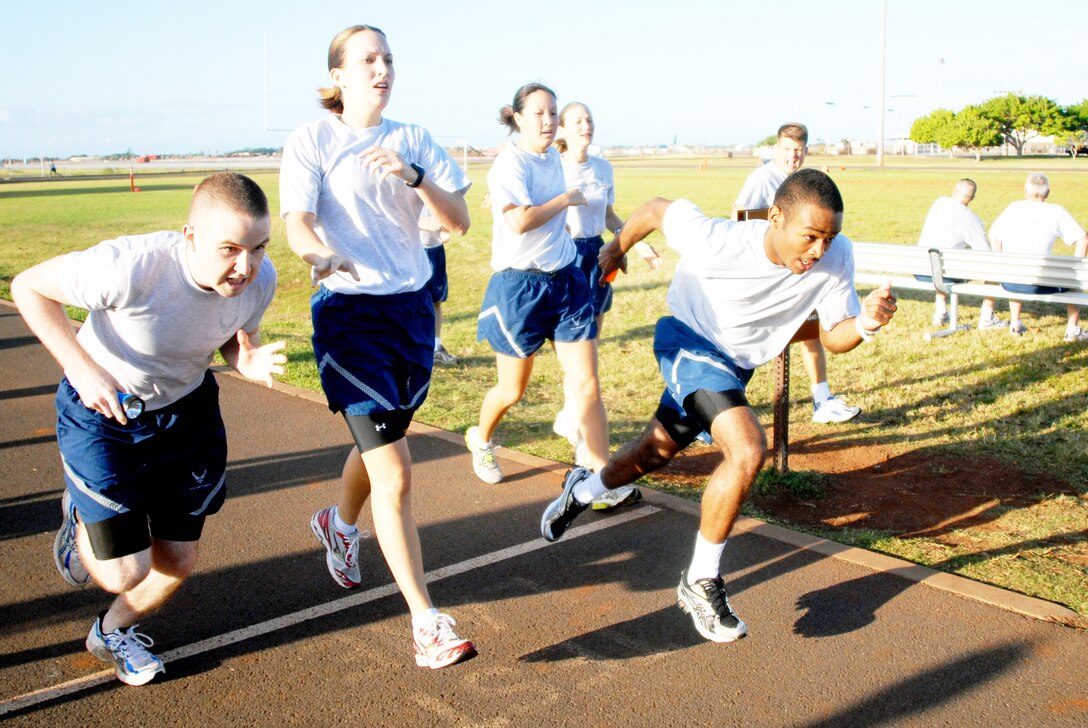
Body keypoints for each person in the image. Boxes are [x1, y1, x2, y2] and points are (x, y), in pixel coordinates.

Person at [540, 169, 898, 643]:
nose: (819, 251)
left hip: (732, 368)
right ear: (775, 217)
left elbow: (833, 336)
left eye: (829, 239)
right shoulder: (718, 240)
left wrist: (867, 323)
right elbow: (655, 209)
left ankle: (583, 490)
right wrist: (616, 247)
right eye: (810, 236)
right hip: (688, 342)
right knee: (747, 449)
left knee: (654, 451)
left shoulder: (838, 256)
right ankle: (700, 579)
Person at [11, 172, 285, 686]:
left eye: (258, 247)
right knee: (124, 570)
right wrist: (80, 368)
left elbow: (234, 337)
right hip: (105, 411)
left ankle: (111, 631)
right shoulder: (129, 267)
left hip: (187, 413)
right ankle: (81, 514)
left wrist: (243, 360)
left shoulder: (259, 278)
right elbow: (27, 287)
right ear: (190, 237)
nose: (245, 267)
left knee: (176, 559)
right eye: (229, 249)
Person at [280, 24, 476, 669]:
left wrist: (414, 176)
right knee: (394, 470)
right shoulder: (312, 140)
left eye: (387, 58)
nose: (382, 69)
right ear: (338, 75)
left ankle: (338, 524)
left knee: (381, 441)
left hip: (411, 314)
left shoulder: (413, 139)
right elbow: (297, 223)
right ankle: (427, 622)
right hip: (350, 317)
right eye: (367, 59)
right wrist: (319, 254)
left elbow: (457, 223)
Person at [466, 83, 610, 488]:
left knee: (587, 384)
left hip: (566, 281)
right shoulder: (509, 164)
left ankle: (603, 478)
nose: (548, 121)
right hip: (519, 287)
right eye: (538, 113)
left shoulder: (554, 160)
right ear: (518, 118)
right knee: (512, 389)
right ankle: (481, 439)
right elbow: (519, 221)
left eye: (552, 113)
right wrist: (565, 201)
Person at [551, 101, 658, 508]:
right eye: (577, 121)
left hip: (597, 256)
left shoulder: (603, 168)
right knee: (579, 357)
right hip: (565, 258)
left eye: (589, 120)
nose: (586, 126)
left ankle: (573, 421)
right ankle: (581, 437)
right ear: (563, 128)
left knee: (589, 349)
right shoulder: (553, 166)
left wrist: (633, 242)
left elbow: (610, 215)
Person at [733, 123, 860, 425]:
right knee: (747, 340)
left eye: (799, 150)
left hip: (804, 271)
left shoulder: (804, 181)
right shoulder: (762, 179)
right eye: (788, 149)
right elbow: (739, 214)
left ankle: (822, 399)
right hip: (770, 275)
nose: (793, 156)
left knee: (811, 331)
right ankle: (719, 409)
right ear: (776, 149)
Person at [989, 173, 1088, 340]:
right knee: (1075, 280)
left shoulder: (1013, 208)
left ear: (1025, 190)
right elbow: (1083, 239)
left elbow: (994, 235)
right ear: (1047, 193)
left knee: (1015, 269)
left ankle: (1015, 323)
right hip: (1043, 283)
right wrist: (1076, 267)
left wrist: (1001, 262)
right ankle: (1072, 329)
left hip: (1010, 282)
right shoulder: (1056, 211)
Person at [915, 178, 1000, 328]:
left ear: (955, 190)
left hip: (921, 269)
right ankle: (987, 317)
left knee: (939, 260)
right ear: (972, 198)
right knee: (995, 267)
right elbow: (986, 254)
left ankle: (941, 311)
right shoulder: (971, 219)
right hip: (945, 273)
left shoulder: (939, 203)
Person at [419, 205, 458, 365]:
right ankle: (413, 348)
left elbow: (447, 206)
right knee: (411, 301)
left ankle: (436, 348)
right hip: (410, 249)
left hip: (434, 250)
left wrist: (446, 225)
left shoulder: (437, 187)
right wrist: (419, 222)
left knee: (436, 300)